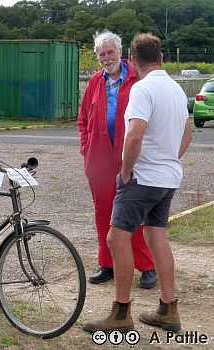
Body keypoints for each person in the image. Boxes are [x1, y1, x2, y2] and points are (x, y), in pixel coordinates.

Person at [83, 33, 192, 333]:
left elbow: (134, 135)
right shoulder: (176, 90)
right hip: (168, 179)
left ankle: (120, 314)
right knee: (157, 239)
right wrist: (169, 159)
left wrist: (126, 172)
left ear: (131, 57)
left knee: (116, 239)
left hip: (143, 179)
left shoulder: (142, 89)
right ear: (161, 58)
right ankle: (168, 310)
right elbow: (187, 135)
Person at [77, 30, 156, 289]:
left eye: (110, 52)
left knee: (132, 214)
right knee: (103, 214)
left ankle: (146, 266)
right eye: (101, 54)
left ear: (121, 53)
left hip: (130, 159)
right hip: (99, 162)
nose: (106, 57)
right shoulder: (95, 82)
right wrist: (86, 151)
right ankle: (107, 263)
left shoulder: (137, 78)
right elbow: (83, 121)